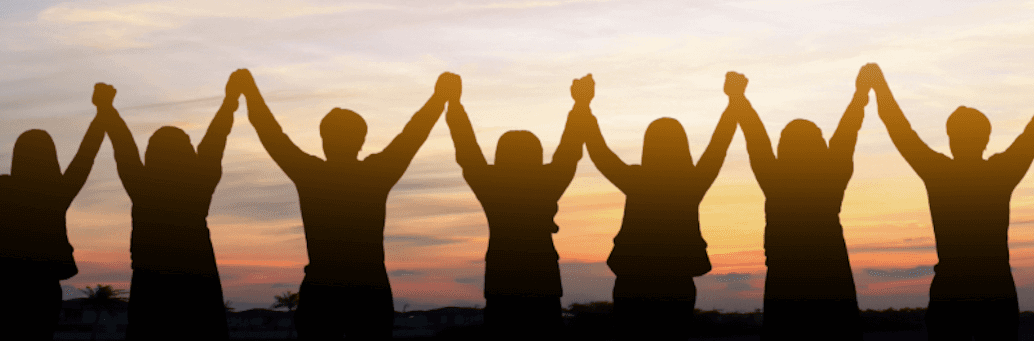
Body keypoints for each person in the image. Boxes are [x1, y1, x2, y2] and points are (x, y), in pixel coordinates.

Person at [245, 71, 454, 340]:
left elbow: (269, 132)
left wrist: (249, 91)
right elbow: (414, 133)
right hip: (368, 290)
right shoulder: (376, 174)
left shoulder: (311, 174)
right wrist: (439, 98)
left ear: (323, 140)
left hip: (323, 290)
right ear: (361, 141)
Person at [872, 68, 1034, 341]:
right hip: (995, 292)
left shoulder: (939, 172)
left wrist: (879, 86)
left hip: (951, 292)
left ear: (950, 138)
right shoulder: (1000, 173)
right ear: (986, 139)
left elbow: (899, 129)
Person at [575, 72, 741, 339]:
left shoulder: (637, 180)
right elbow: (719, 145)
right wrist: (734, 102)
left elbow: (598, 151)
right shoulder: (692, 182)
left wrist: (583, 106)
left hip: (633, 281)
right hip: (676, 282)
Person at [0, 87, 109, 340]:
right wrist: (102, 114)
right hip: (42, 286)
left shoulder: (7, 189)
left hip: (3, 285)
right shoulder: (59, 191)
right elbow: (86, 155)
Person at [725, 67, 869, 340]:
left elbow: (756, 138)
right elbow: (848, 132)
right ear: (821, 147)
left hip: (785, 282)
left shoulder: (776, 180)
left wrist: (739, 98)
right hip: (832, 279)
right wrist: (860, 94)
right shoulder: (830, 177)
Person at [444, 74, 590, 339]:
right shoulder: (547, 182)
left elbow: (466, 149)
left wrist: (454, 104)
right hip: (542, 283)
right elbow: (570, 150)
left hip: (502, 283)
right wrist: (581, 105)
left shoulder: (491, 185)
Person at [97, 75, 240, 340]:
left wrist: (107, 108)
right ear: (189, 155)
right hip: (198, 283)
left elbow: (123, 144)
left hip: (151, 284)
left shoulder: (143, 187)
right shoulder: (199, 184)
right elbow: (216, 138)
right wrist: (230, 101)